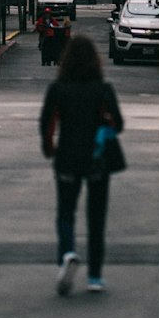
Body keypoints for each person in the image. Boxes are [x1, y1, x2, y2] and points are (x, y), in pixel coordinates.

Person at [39, 33, 123, 296]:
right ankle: (95, 276)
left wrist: (49, 148)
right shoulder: (103, 89)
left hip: (67, 156)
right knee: (96, 219)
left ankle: (67, 254)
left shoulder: (58, 88)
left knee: (66, 213)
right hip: (97, 159)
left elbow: (46, 122)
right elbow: (118, 124)